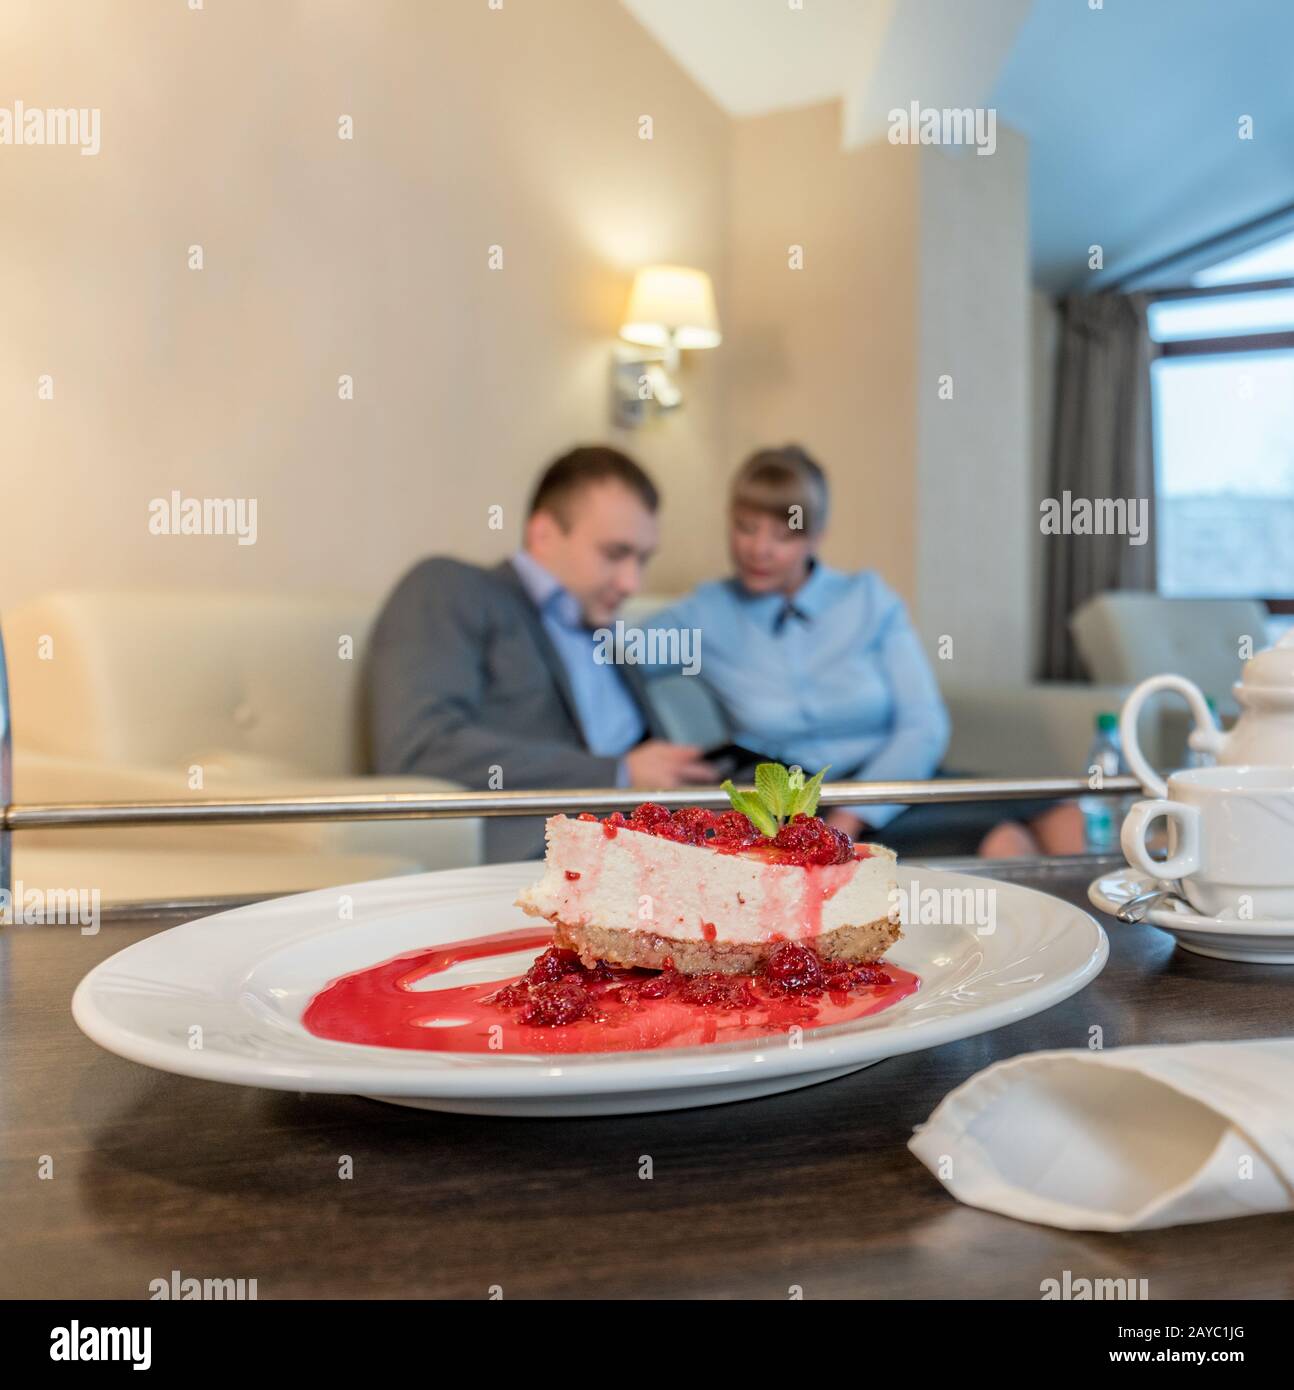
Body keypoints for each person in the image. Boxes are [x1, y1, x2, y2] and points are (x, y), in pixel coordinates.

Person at [644, 446, 1082, 856]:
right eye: (746, 527)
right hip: (794, 801)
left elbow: (923, 724)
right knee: (1003, 840)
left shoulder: (868, 599)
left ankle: (1101, 937)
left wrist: (854, 815)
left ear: (817, 535)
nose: (760, 548)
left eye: (784, 534)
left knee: (1060, 812)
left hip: (893, 779)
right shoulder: (705, 612)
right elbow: (608, 656)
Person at [367, 446, 714, 861]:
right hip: (552, 851)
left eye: (642, 559)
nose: (630, 583)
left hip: (664, 840)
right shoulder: (451, 587)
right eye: (615, 554)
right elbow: (419, 746)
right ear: (544, 533)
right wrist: (618, 774)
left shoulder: (605, 634)